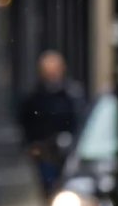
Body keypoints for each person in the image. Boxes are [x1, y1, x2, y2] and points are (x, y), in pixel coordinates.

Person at [19, 51, 86, 197]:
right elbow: (27, 122)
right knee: (48, 186)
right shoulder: (35, 97)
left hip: (67, 148)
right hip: (45, 150)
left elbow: (79, 119)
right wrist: (32, 145)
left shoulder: (71, 93)